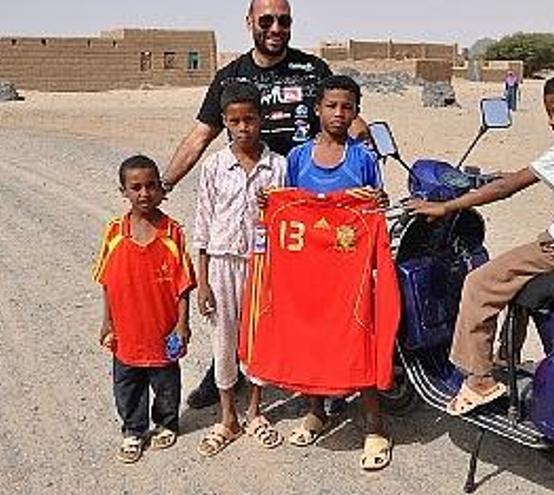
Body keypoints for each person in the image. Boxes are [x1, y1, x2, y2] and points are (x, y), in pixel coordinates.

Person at [161, 0, 368, 410]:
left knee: (312, 297)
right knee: (238, 298)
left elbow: (346, 118)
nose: (276, 28)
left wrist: (372, 151)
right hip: (258, 207)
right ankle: (224, 372)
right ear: (250, 23)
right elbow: (200, 136)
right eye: (267, 20)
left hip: (311, 206)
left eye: (284, 20)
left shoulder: (313, 71)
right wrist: (164, 182)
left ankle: (322, 378)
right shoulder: (230, 77)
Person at [408, 67, 554, 415]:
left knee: (481, 282)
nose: (552, 123)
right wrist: (501, 175)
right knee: (516, 277)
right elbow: (532, 173)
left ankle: (479, 379)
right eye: (549, 115)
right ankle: (506, 357)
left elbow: (506, 189)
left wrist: (445, 206)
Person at [277, 74, 393, 471]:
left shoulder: (364, 158)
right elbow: (286, 211)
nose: (339, 113)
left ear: (356, 112)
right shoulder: (296, 158)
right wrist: (269, 202)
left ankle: (375, 426)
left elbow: (379, 209)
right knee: (313, 341)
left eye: (347, 107)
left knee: (357, 343)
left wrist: (379, 200)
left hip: (353, 275)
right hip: (309, 273)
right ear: (317, 109)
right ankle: (317, 411)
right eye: (332, 105)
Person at [192, 81, 287, 457]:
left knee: (259, 338)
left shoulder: (277, 166)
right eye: (235, 121)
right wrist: (203, 282)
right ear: (225, 123)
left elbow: (287, 220)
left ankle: (255, 412)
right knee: (225, 339)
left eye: (250, 119)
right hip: (221, 264)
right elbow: (202, 223)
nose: (244, 127)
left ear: (260, 119)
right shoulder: (215, 165)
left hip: (263, 265)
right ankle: (227, 417)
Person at [93, 155, 196, 463]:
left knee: (166, 383)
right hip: (126, 333)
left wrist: (182, 324)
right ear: (123, 191)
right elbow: (107, 283)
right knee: (127, 386)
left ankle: (166, 422)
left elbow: (183, 285)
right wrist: (107, 322)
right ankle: (133, 430)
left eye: (151, 186)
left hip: (163, 331)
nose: (144, 193)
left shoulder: (172, 233)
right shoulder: (114, 233)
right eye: (135, 187)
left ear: (161, 189)